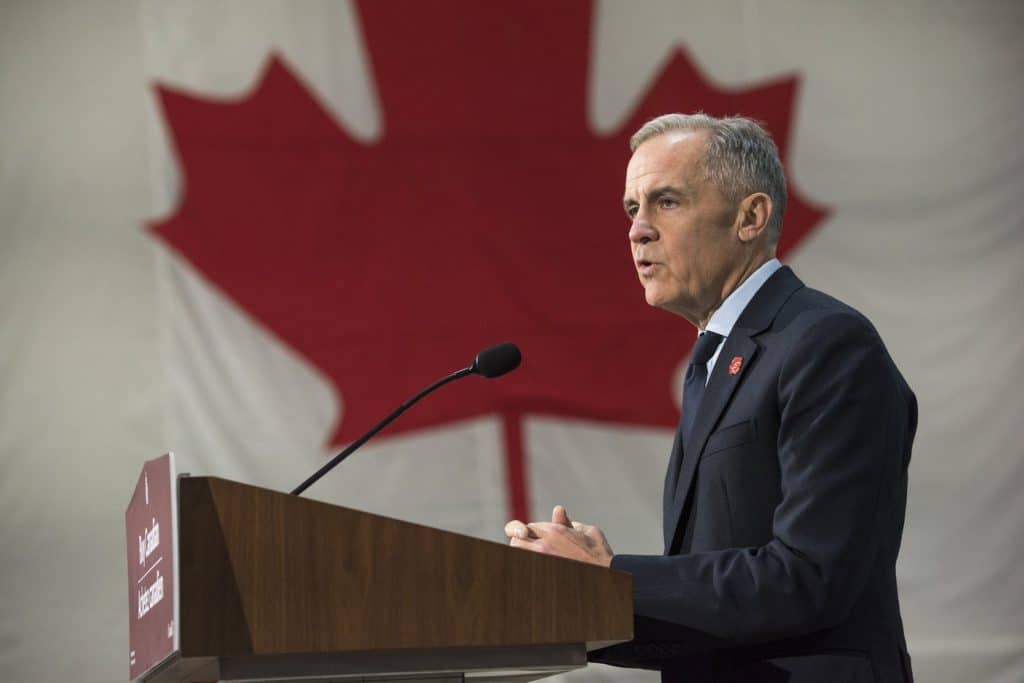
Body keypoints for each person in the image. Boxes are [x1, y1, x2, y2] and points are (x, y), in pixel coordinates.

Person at [504, 113, 916, 682]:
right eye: (632, 209)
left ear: (750, 217)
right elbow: (714, 612)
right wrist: (581, 597)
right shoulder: (716, 361)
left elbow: (810, 577)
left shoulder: (826, 344)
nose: (638, 230)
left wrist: (612, 578)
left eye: (666, 202)